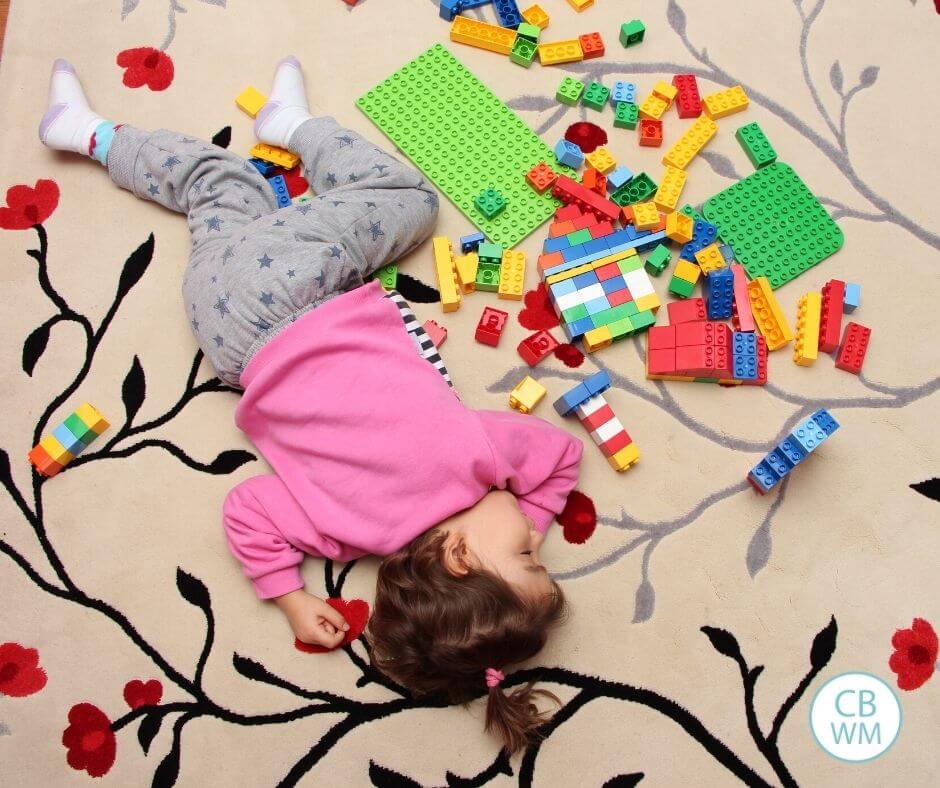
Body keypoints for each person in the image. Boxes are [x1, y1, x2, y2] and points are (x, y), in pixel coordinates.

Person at [40, 55, 583, 752]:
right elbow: (247, 511)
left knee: (409, 198)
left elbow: (559, 455)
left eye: (529, 554)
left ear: (457, 557)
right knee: (222, 187)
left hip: (294, 294)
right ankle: (91, 135)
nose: (538, 538)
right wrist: (293, 597)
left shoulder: (476, 457)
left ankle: (291, 126)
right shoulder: (347, 533)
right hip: (226, 336)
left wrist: (527, 505)